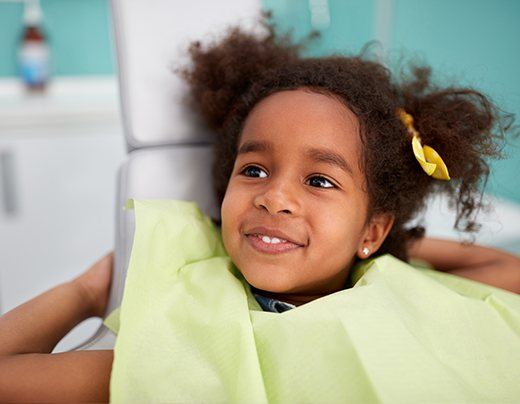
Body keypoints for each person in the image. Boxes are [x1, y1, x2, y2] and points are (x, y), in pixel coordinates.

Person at [0, 14, 519, 402]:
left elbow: (505, 271)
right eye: (253, 170)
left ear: (374, 229)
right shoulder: (191, 342)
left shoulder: (398, 289)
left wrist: (388, 244)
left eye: (319, 180)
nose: (273, 197)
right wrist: (88, 292)